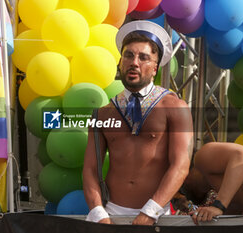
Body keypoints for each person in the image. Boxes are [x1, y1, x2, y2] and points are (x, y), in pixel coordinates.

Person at [82, 20, 194, 225]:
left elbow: (180, 166)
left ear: (155, 68)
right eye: (128, 55)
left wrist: (150, 212)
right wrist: (98, 213)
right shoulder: (102, 114)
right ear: (120, 61)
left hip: (157, 216)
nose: (134, 62)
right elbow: (90, 168)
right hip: (110, 215)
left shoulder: (175, 107)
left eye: (143, 57)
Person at [180, 142, 243, 225]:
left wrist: (218, 205)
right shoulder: (228, 193)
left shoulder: (201, 157)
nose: (187, 197)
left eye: (180, 189)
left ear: (185, 177)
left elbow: (241, 156)